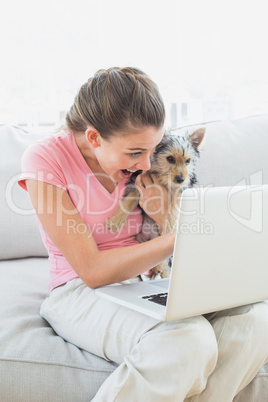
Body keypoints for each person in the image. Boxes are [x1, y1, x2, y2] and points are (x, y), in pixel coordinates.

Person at [18, 67, 268, 402]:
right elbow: (91, 269)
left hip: (146, 282)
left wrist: (165, 215)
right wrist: (182, 237)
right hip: (77, 289)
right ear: (94, 138)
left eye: (152, 151)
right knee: (188, 339)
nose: (148, 165)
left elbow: (171, 210)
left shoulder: (144, 164)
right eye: (136, 153)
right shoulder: (46, 158)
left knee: (254, 321)